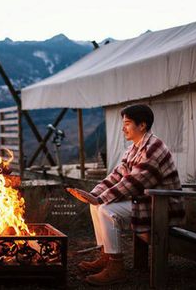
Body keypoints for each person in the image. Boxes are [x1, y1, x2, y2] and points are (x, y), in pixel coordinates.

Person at [67, 104, 185, 286]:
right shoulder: (134, 148)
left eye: (128, 123)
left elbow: (133, 183)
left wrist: (100, 199)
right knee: (96, 204)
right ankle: (107, 255)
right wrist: (92, 195)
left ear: (142, 125)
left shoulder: (154, 148)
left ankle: (116, 268)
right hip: (146, 201)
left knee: (105, 208)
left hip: (162, 207)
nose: (123, 128)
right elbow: (117, 175)